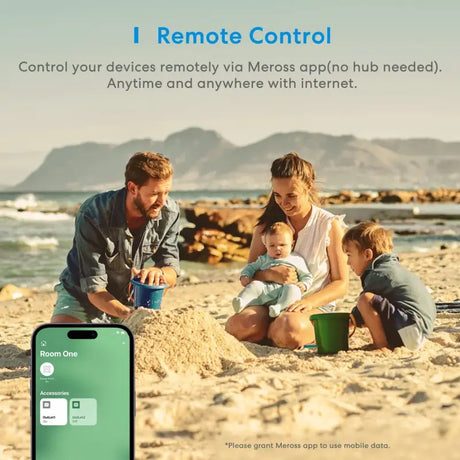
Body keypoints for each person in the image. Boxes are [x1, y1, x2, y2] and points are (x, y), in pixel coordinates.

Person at [226, 152, 348, 349]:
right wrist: (269, 274)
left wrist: (309, 302)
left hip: (311, 305)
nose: (283, 203)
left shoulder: (328, 224)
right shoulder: (266, 227)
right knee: (238, 326)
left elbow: (341, 283)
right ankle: (272, 329)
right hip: (268, 303)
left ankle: (275, 331)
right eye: (277, 195)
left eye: (291, 195)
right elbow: (249, 275)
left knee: (289, 328)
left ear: (308, 187)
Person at [50, 152, 181, 323]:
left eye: (167, 192)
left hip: (130, 300)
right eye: (155, 194)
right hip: (81, 295)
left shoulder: (170, 212)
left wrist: (159, 272)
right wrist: (129, 316)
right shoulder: (92, 213)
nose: (162, 201)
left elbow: (171, 266)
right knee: (62, 342)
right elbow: (95, 289)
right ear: (133, 188)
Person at [342, 222, 436, 351]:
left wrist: (341, 324)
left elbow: (359, 313)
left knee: (365, 300)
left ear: (367, 255)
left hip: (410, 331)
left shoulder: (379, 274)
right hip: (419, 331)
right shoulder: (393, 269)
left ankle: (380, 346)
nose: (347, 262)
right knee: (373, 304)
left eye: (349, 255)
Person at [233, 222, 313, 318]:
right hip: (266, 290)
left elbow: (307, 276)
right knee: (255, 285)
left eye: (282, 245)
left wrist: (304, 284)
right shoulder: (264, 259)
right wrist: (245, 275)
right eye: (272, 246)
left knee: (294, 290)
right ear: (266, 245)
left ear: (292, 245)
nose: (277, 248)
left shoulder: (296, 259)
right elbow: (251, 267)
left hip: (285, 291)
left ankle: (278, 307)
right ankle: (242, 301)